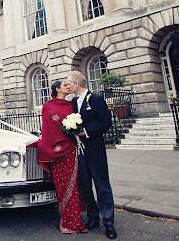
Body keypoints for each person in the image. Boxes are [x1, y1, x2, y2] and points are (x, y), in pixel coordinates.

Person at [67, 70, 117, 239]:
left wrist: (85, 132)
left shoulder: (95, 99)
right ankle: (93, 218)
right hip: (80, 152)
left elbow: (105, 122)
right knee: (86, 185)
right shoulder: (73, 102)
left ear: (77, 84)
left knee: (102, 185)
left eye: (69, 83)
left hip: (95, 149)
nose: (68, 86)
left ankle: (108, 222)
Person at [36, 80, 87, 235]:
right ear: (57, 89)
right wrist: (50, 146)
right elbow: (47, 129)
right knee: (62, 187)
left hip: (70, 149)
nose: (68, 87)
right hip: (56, 150)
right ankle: (65, 220)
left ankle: (73, 222)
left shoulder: (71, 104)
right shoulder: (47, 106)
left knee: (73, 186)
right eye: (65, 85)